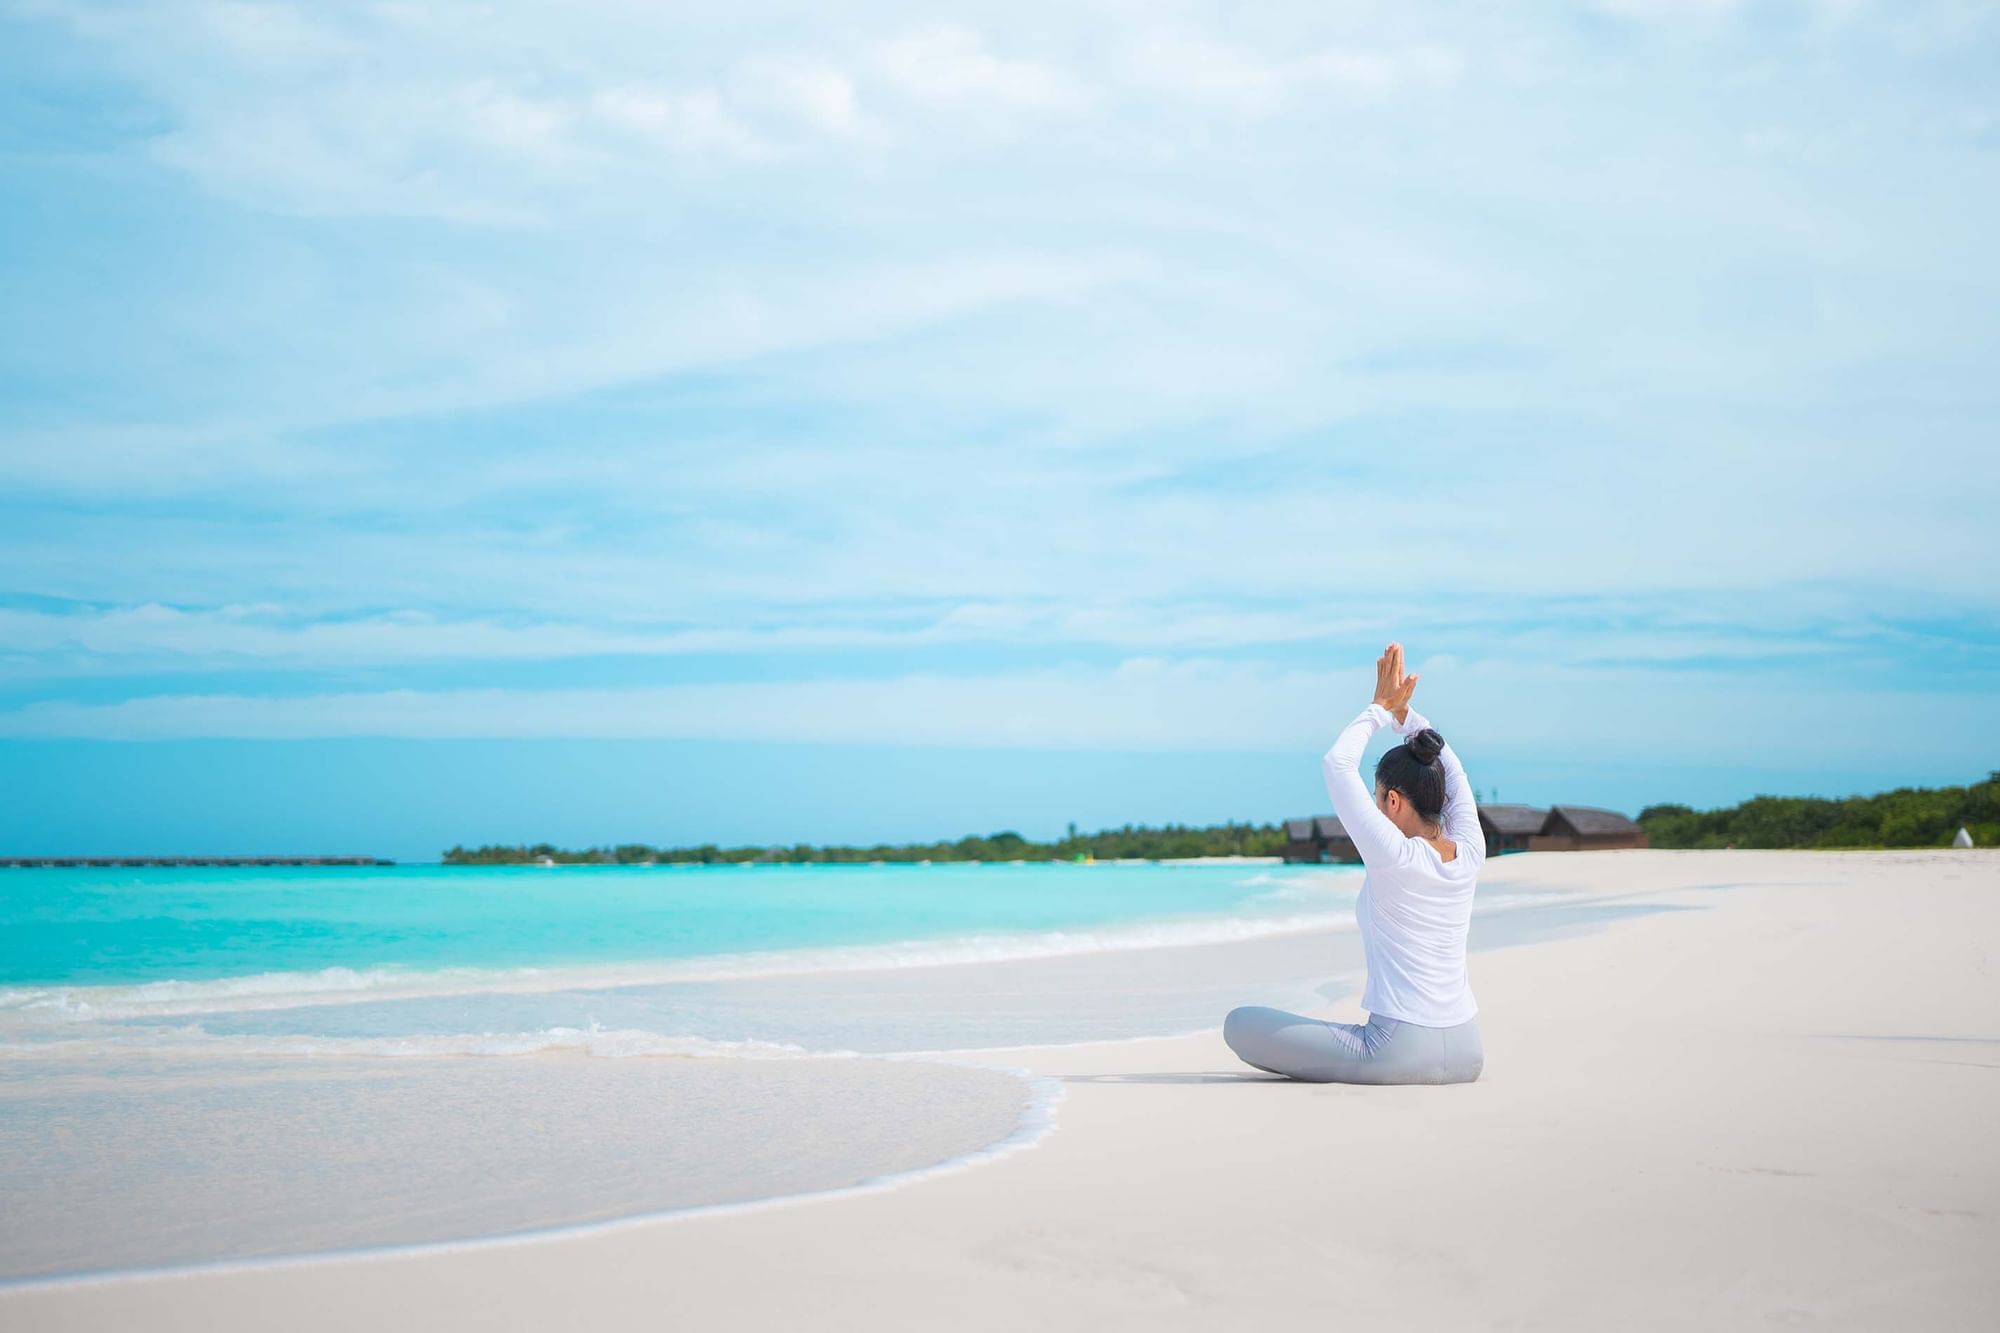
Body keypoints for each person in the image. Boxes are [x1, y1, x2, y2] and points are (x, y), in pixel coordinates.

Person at [1223, 642, 1486, 1083]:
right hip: (1468, 1049)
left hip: (1397, 1052)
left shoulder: (1395, 856)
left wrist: (1380, 709)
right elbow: (1453, 771)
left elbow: (1337, 765)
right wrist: (1408, 718)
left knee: (1239, 1024)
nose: (1376, 808)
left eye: (1378, 798)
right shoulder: (1471, 851)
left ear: (1393, 800)